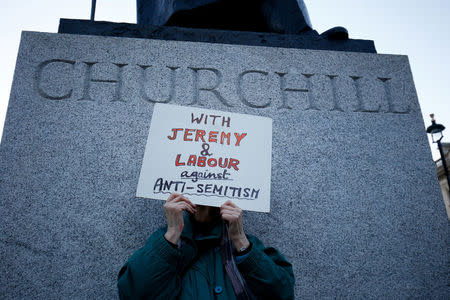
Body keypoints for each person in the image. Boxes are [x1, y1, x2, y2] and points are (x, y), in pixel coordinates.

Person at [117, 193, 294, 299]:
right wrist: (172, 234)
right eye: (198, 199)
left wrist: (240, 240)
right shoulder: (167, 243)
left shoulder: (246, 246)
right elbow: (133, 294)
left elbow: (282, 293)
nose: (205, 205)